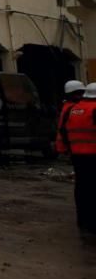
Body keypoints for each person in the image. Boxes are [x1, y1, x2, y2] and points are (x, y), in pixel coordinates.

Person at [58, 83, 96, 232]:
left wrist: (68, 149)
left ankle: (83, 220)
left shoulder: (74, 109)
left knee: (82, 187)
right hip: (93, 155)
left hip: (78, 155)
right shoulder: (93, 108)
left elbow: (63, 131)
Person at [57, 80, 86, 154]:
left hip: (76, 147)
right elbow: (63, 130)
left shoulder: (68, 106)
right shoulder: (70, 108)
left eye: (82, 93)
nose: (81, 96)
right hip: (74, 147)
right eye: (78, 94)